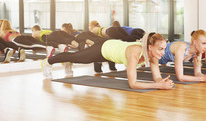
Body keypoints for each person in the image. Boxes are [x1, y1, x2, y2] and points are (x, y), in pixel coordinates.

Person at [41, 32, 175, 90]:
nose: (163, 53)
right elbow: (133, 84)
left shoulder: (153, 55)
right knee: (76, 57)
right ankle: (47, 62)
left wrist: (162, 82)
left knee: (76, 57)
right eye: (160, 49)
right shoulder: (135, 53)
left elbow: (157, 78)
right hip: (103, 48)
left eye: (164, 49)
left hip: (112, 50)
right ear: (150, 47)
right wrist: (157, 85)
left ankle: (68, 61)